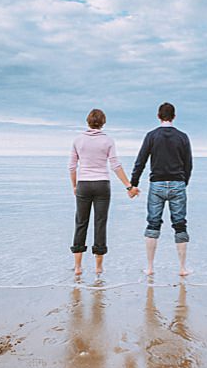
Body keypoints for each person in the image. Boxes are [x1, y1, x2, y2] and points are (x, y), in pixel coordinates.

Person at [69, 108, 137, 277]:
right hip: (102, 185)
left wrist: (74, 185)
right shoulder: (108, 141)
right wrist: (129, 186)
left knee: (81, 222)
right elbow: (115, 165)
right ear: (103, 123)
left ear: (88, 122)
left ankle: (78, 267)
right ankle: (98, 268)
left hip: (84, 184)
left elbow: (71, 166)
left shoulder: (78, 140)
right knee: (100, 223)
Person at [130, 102, 192, 276]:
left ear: (159, 116)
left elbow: (140, 161)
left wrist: (134, 184)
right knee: (180, 225)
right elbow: (188, 164)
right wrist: (182, 182)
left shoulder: (151, 136)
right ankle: (182, 268)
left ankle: (150, 268)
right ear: (174, 116)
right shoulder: (182, 137)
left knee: (153, 223)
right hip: (177, 183)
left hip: (156, 184)